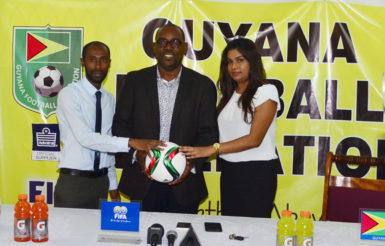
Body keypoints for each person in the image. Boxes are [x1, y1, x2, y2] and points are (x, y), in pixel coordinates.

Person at [112, 23, 218, 214]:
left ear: (185, 48)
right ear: (154, 47)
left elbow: (208, 133)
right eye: (163, 42)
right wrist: (138, 154)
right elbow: (120, 125)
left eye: (175, 42)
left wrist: (189, 163)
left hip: (185, 185)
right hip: (142, 181)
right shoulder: (135, 81)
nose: (168, 47)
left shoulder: (202, 86)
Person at [54, 41, 163, 209]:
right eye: (92, 59)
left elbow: (107, 142)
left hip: (101, 183)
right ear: (82, 62)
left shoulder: (109, 99)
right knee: (68, 234)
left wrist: (112, 185)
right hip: (73, 183)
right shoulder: (69, 94)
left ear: (109, 63)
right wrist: (131, 142)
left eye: (103, 60)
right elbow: (86, 138)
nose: (98, 65)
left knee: (96, 234)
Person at [180, 38, 280, 218]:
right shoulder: (229, 95)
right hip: (229, 172)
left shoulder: (266, 91)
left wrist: (212, 149)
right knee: (231, 231)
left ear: (253, 62)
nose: (234, 66)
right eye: (229, 62)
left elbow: (254, 139)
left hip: (257, 174)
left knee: (252, 233)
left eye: (240, 60)